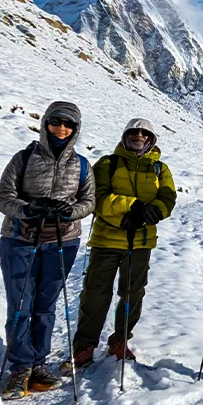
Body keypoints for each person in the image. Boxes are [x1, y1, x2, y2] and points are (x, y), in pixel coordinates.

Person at [0, 101, 95, 400]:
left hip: (62, 241)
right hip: (19, 239)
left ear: (76, 129)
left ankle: (38, 362)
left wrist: (70, 212)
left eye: (68, 124)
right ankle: (20, 366)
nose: (61, 128)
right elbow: (3, 197)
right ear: (45, 124)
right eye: (56, 122)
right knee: (20, 305)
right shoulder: (24, 158)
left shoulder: (82, 165)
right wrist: (28, 209)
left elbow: (89, 202)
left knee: (45, 305)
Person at [61, 118, 176, 371]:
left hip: (140, 241)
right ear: (125, 136)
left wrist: (154, 212)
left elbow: (168, 197)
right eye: (134, 132)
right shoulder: (107, 164)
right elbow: (96, 198)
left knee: (133, 293)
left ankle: (120, 340)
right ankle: (84, 346)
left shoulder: (160, 169)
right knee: (95, 293)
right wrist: (130, 209)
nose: (139, 136)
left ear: (151, 139)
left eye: (144, 133)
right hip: (107, 239)